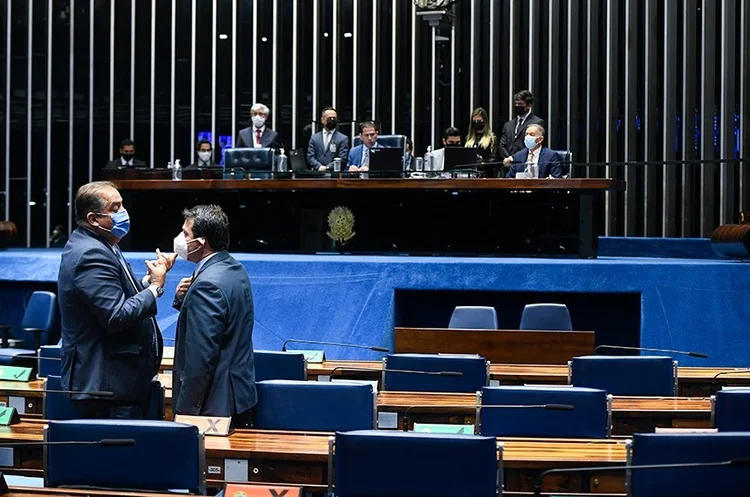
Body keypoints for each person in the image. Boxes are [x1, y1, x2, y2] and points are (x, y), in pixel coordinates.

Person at [57, 181, 175, 419]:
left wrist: (145, 283)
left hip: (117, 384)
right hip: (107, 389)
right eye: (116, 207)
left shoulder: (103, 244)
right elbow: (116, 316)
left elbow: (111, 295)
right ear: (93, 219)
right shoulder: (91, 253)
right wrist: (155, 287)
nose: (124, 212)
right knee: (117, 456)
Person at [171, 205, 257, 426]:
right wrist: (184, 300)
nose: (180, 239)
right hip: (238, 396)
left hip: (214, 404)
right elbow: (222, 323)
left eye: (186, 234)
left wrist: (185, 412)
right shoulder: (233, 269)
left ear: (201, 243)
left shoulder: (207, 283)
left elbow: (201, 357)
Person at [499, 90, 546, 161]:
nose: (517, 106)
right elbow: (502, 146)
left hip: (525, 162)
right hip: (508, 165)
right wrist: (509, 159)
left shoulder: (537, 122)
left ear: (529, 106)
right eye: (516, 104)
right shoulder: (508, 125)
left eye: (520, 104)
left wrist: (514, 158)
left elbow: (534, 145)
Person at [464, 108, 498, 177]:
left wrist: (482, 162)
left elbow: (493, 158)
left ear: (484, 121)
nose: (477, 123)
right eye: (475, 121)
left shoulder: (491, 138)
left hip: (486, 173)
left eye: (479, 121)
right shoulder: (468, 138)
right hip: (470, 174)